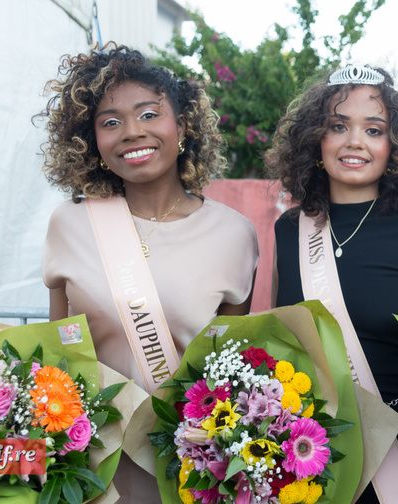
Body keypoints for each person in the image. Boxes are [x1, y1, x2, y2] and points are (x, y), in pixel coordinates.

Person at [36, 44, 259, 502]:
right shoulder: (69, 224)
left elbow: (229, 368)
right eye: (110, 122)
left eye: (150, 114)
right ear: (91, 140)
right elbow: (58, 358)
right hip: (90, 466)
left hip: (186, 465)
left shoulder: (234, 234)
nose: (131, 133)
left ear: (184, 126)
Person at [266, 65, 398, 503]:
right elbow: (276, 354)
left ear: (395, 148)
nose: (354, 141)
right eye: (337, 126)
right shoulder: (289, 232)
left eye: (373, 130)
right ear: (316, 142)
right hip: (310, 469)